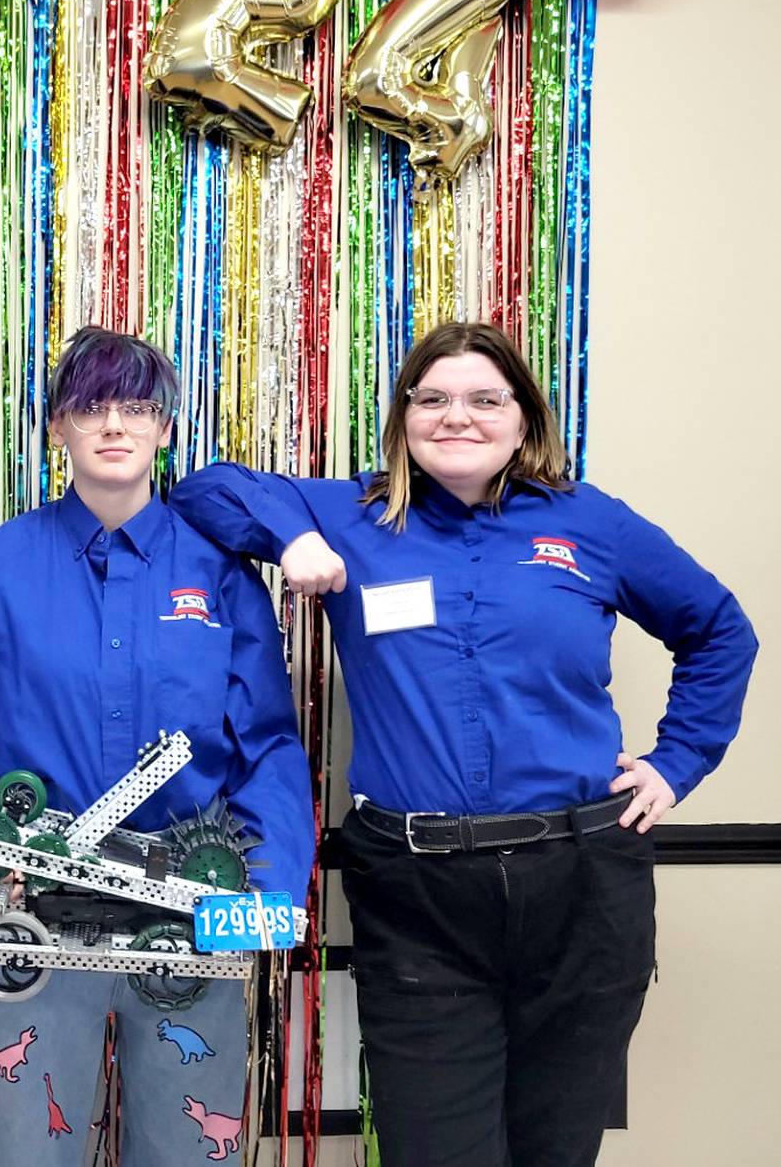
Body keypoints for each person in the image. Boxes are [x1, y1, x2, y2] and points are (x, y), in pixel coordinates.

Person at [170, 320, 757, 1167]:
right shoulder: (352, 513)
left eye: (486, 399)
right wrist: (292, 539)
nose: (458, 416)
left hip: (581, 885)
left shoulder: (590, 521)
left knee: (555, 1148)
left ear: (524, 419)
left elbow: (719, 631)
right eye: (434, 398)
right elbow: (205, 490)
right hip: (418, 896)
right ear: (404, 415)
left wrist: (677, 762)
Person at [0, 326, 315, 1167]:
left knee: (188, 1152)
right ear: (57, 426)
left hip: (196, 927)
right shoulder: (2, 565)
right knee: (33, 1154)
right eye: (90, 406)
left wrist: (269, 888)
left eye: (137, 406)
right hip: (39, 921)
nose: (114, 425)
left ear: (166, 427)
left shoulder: (219, 574)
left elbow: (268, 746)